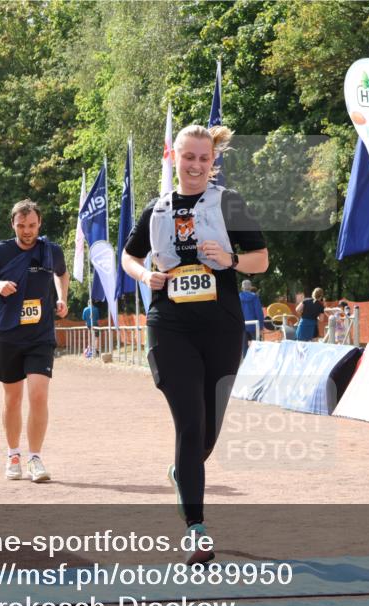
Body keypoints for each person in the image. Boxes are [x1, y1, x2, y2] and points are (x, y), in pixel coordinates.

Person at [121, 123, 269, 565]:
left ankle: (181, 474)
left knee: (206, 433)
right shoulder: (157, 209)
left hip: (221, 328)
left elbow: (261, 260)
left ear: (213, 161)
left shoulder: (228, 203)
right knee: (189, 423)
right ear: (174, 157)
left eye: (204, 158)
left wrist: (231, 259)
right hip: (170, 328)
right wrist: (146, 275)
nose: (196, 165)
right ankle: (197, 530)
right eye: (189, 157)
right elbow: (129, 255)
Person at [0, 199, 69, 483]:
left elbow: (62, 273)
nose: (27, 231)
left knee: (38, 395)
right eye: (21, 226)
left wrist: (62, 297)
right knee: (13, 398)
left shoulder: (50, 250)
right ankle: (13, 454)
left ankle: (36, 458)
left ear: (39, 223)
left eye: (31, 225)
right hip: (8, 334)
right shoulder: (0, 251)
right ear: (12, 225)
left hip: (40, 335)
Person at [238, 279, 269, 348]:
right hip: (254, 326)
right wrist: (261, 326)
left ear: (242, 288)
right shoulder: (255, 297)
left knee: (244, 348)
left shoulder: (238, 298)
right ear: (250, 287)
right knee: (257, 347)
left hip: (242, 326)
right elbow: (259, 312)